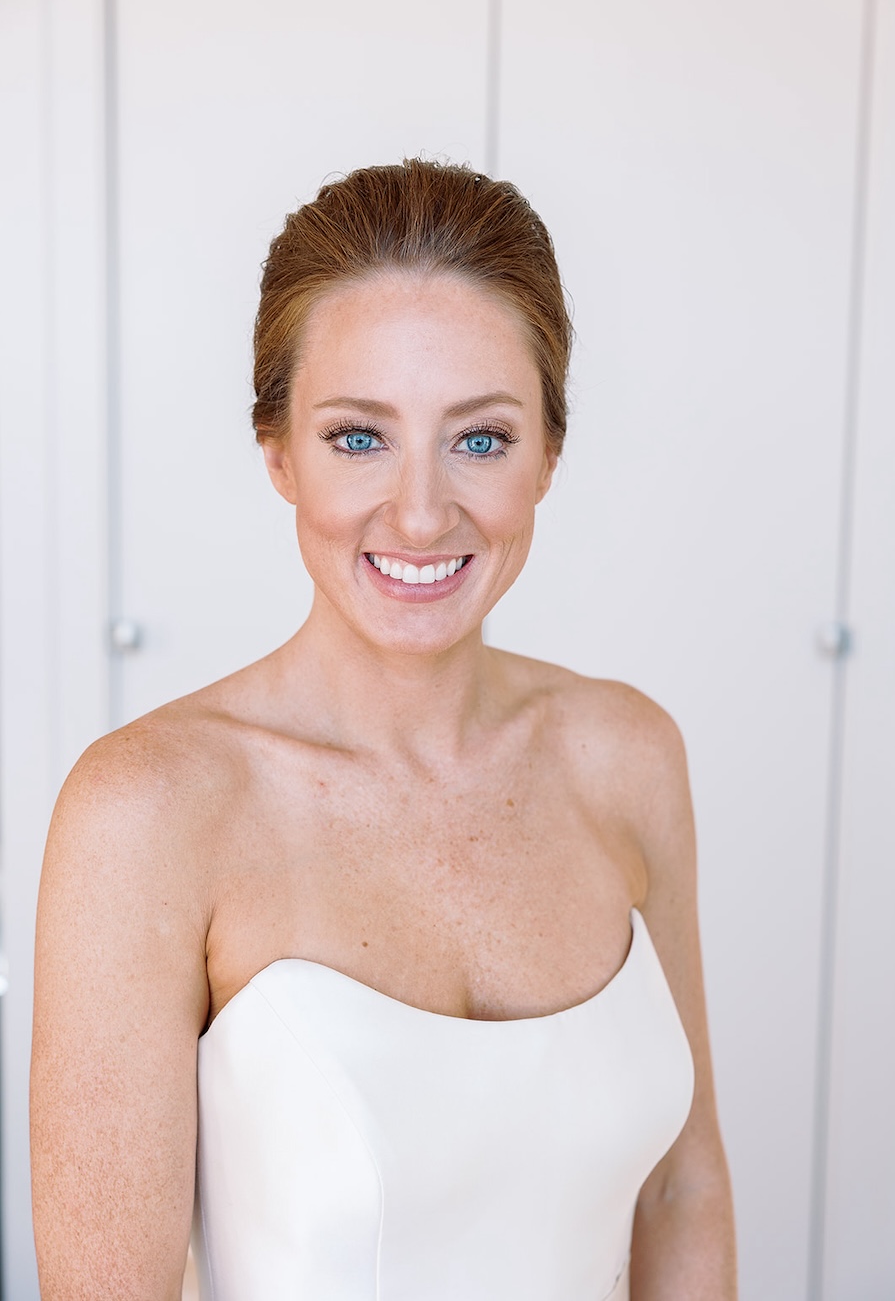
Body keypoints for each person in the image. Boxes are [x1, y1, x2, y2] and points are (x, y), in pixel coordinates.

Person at [31, 158, 737, 1300]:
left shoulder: (629, 754)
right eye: (359, 437)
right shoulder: (149, 810)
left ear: (549, 454)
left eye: (481, 438)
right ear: (278, 453)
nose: (419, 511)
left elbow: (681, 1189)